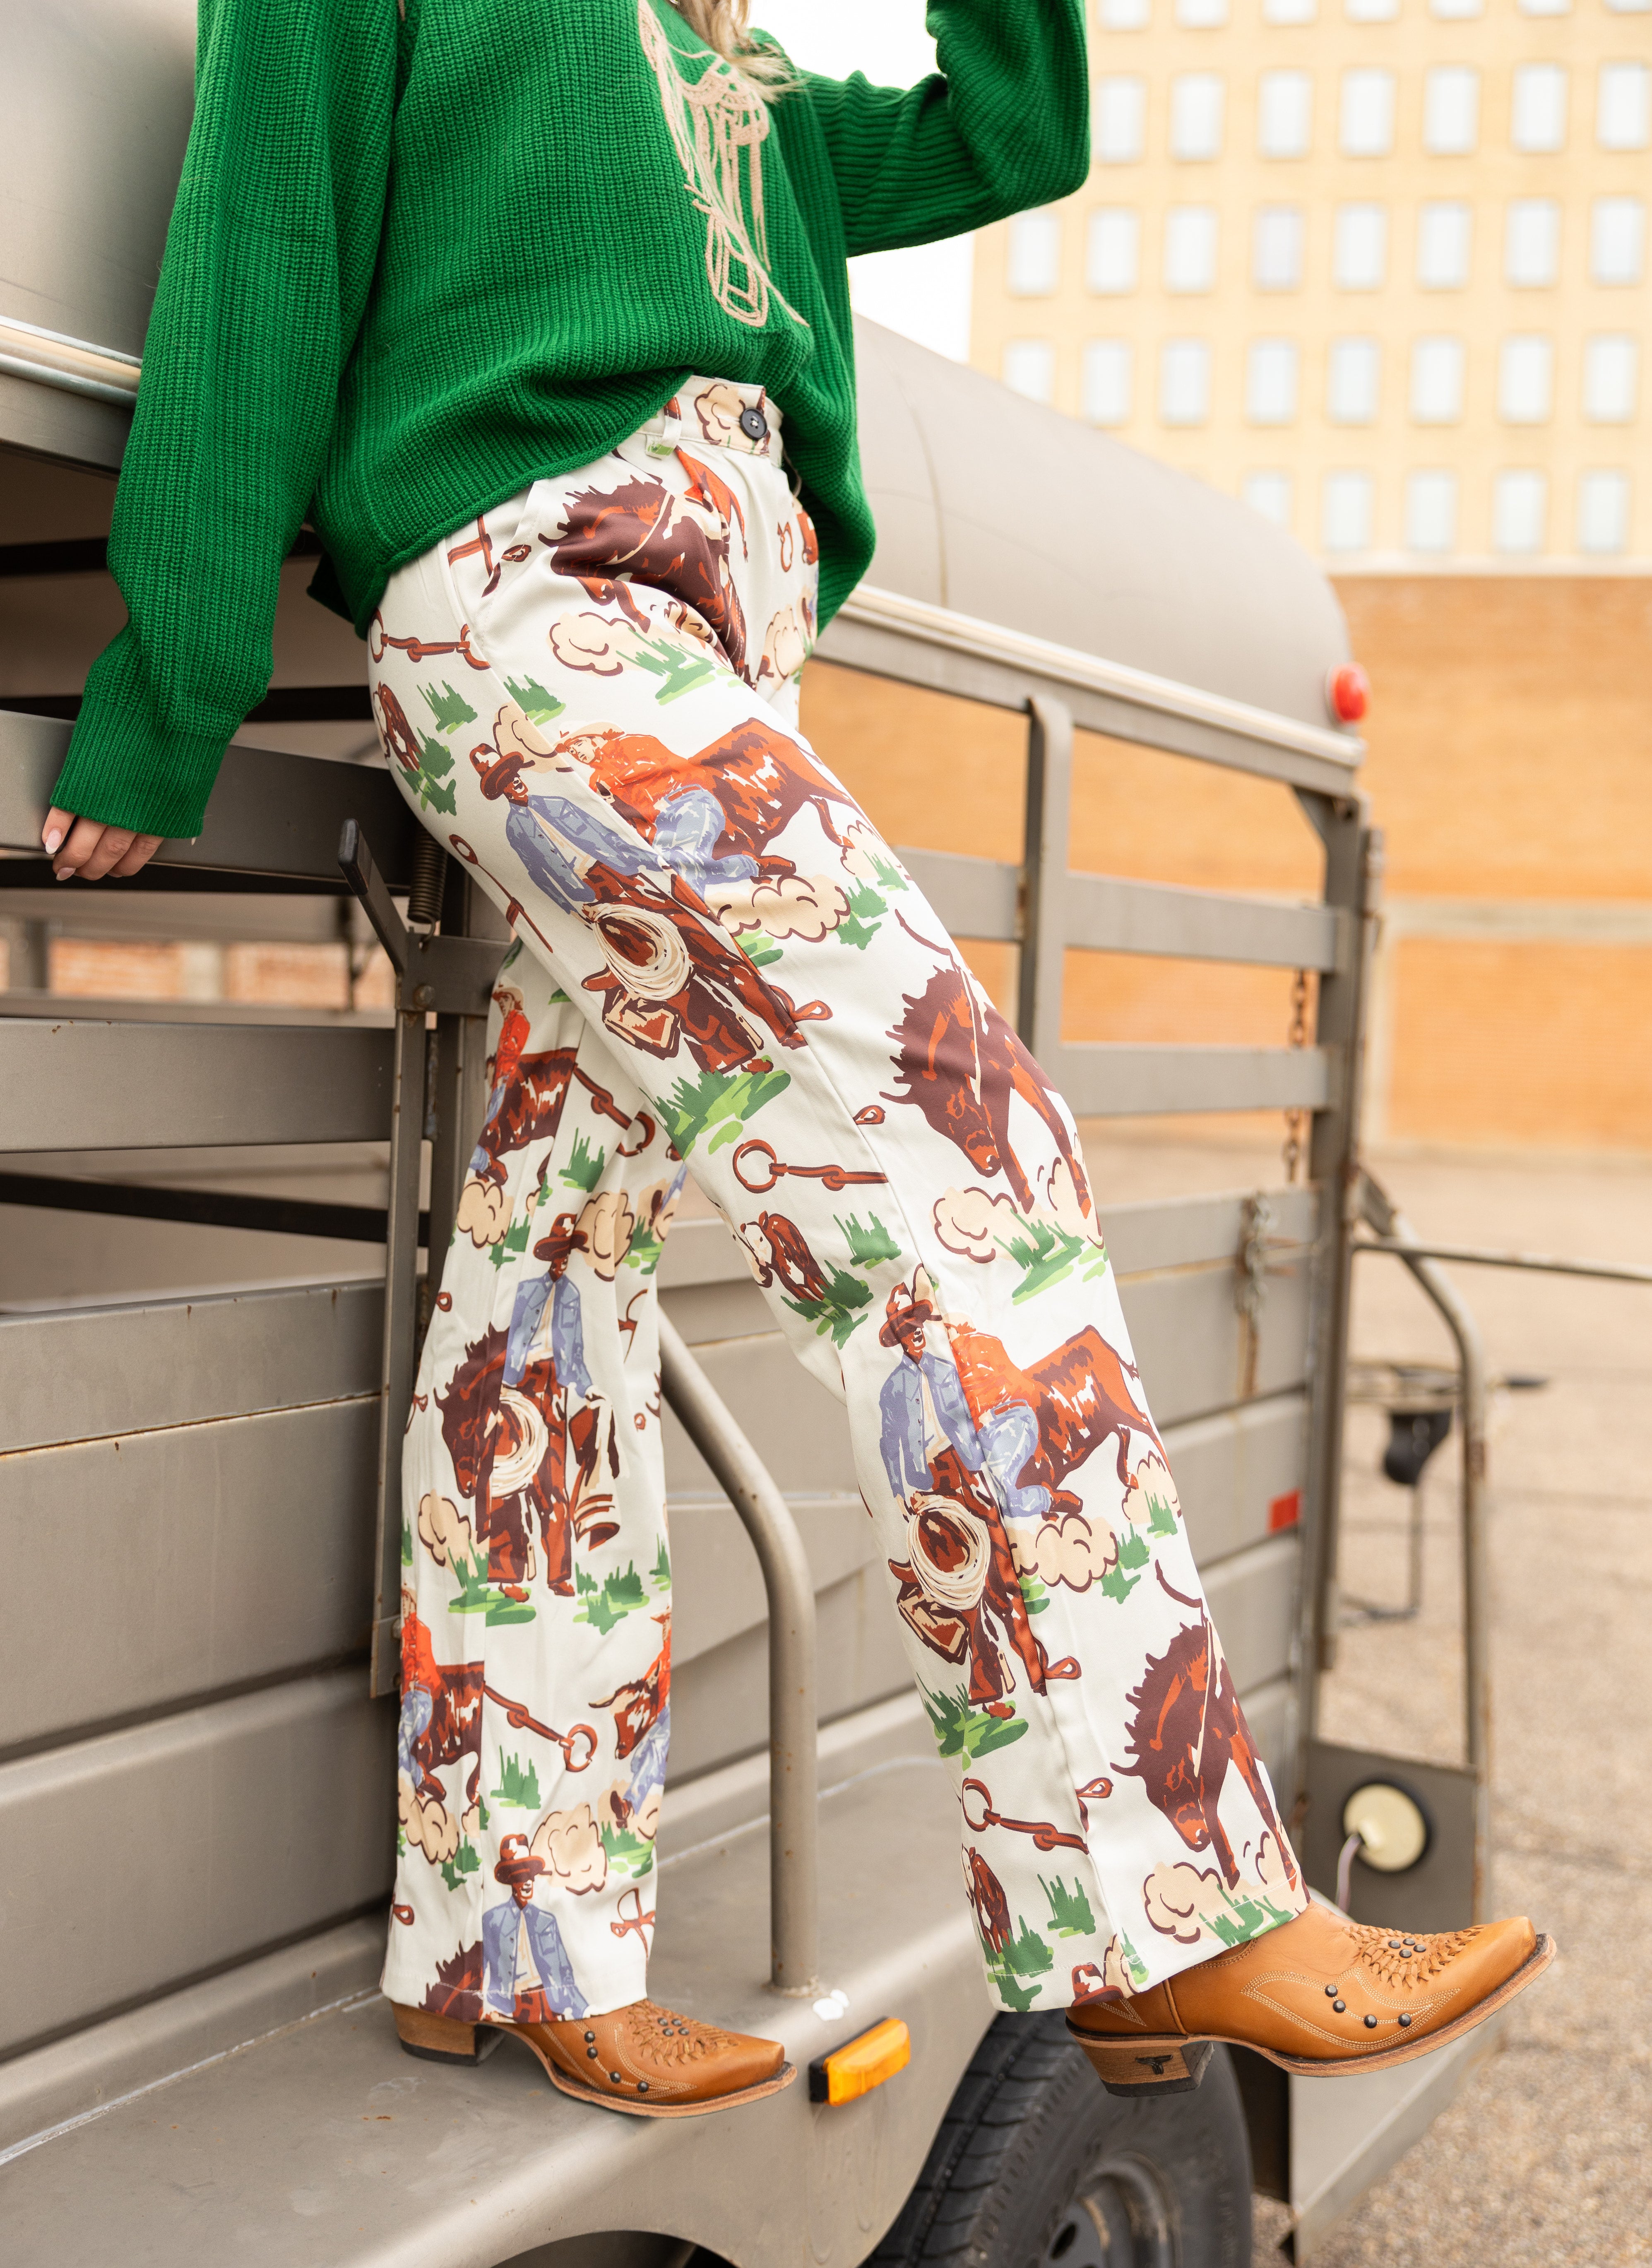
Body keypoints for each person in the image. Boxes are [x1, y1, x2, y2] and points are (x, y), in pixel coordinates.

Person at [46, 0, 1551, 2119]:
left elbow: (1012, 135)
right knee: (960, 1137)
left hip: (712, 661)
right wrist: (169, 690)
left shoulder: (744, 85)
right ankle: (1159, 1906)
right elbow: (259, 263)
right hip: (542, 620)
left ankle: (507, 1937)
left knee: (554, 1274)